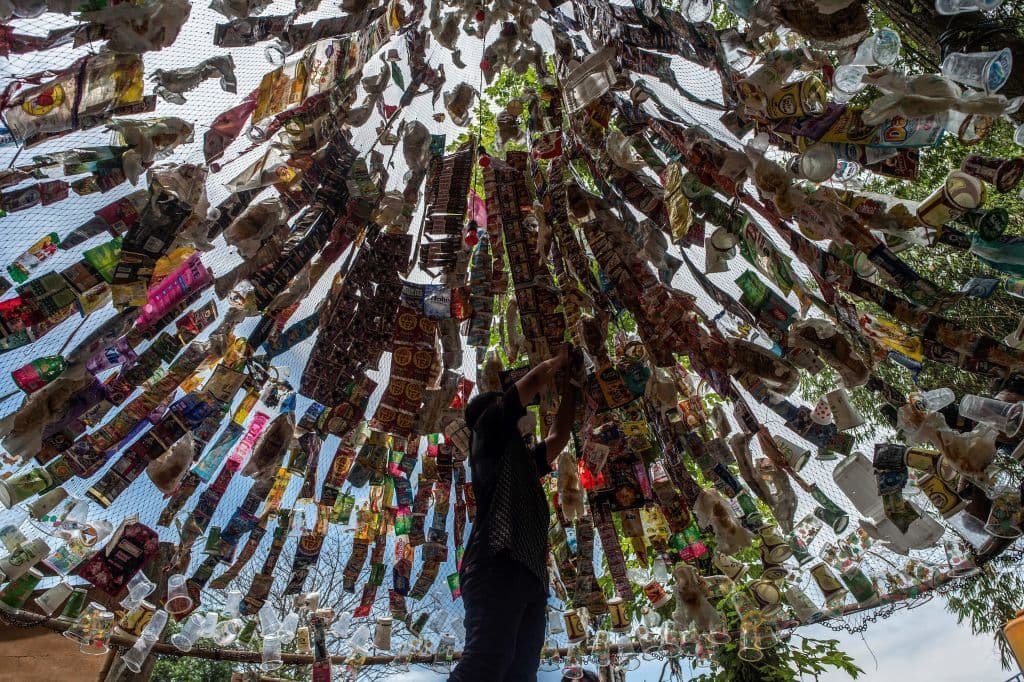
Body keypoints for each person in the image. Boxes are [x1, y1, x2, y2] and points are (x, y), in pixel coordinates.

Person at [448, 346, 580, 682]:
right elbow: (534, 379)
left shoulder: (521, 458)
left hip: (530, 573)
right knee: (487, 662)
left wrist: (574, 386)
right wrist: (562, 359)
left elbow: (559, 436)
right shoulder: (488, 431)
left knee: (521, 671)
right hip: (497, 560)